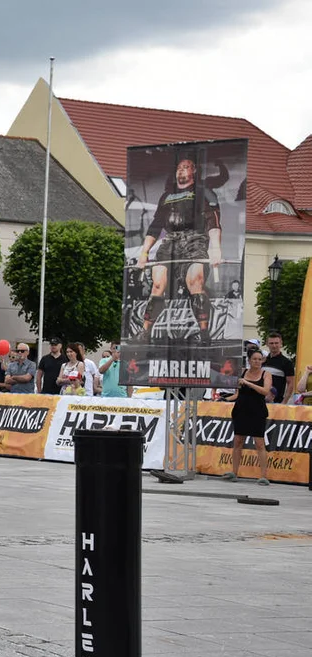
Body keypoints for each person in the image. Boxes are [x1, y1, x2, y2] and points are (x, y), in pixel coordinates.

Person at [135, 153, 223, 344]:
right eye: (179, 167)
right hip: (170, 241)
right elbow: (156, 226)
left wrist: (215, 248)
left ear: (194, 170)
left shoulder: (204, 192)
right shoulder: (166, 196)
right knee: (157, 285)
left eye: (186, 166)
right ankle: (145, 332)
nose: (181, 170)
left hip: (196, 240)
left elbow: (213, 221)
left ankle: (204, 333)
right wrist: (144, 253)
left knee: (195, 282)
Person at [221, 348, 272, 485]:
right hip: (241, 409)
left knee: (259, 443)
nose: (257, 361)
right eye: (254, 359)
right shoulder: (242, 373)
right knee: (238, 441)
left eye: (259, 359)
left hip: (257, 411)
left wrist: (249, 383)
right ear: (249, 360)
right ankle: (234, 472)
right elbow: (238, 394)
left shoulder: (266, 374)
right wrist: (226, 399)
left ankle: (263, 475)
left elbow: (265, 391)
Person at [262, 332, 294, 404]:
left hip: (277, 402)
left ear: (281, 343)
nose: (274, 345)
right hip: (259, 401)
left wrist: (284, 402)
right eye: (271, 343)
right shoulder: (262, 360)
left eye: (276, 343)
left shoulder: (287, 363)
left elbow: (290, 384)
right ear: (267, 344)